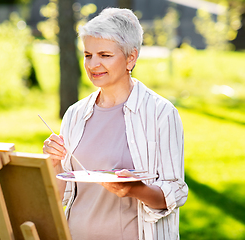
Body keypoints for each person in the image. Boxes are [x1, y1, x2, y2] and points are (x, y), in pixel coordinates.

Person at [43, 7, 188, 240]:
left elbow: (176, 192)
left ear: (131, 57)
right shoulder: (75, 114)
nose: (93, 65)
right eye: (88, 55)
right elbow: (63, 195)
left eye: (105, 55)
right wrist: (53, 164)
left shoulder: (161, 113)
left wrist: (133, 189)